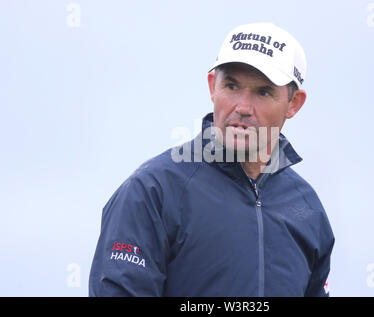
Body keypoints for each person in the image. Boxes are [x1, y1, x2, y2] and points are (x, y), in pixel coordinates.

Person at [89, 22, 334, 297]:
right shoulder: (152, 191)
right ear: (212, 86)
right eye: (231, 86)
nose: (242, 107)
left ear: (294, 104)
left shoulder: (307, 209)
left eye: (263, 92)